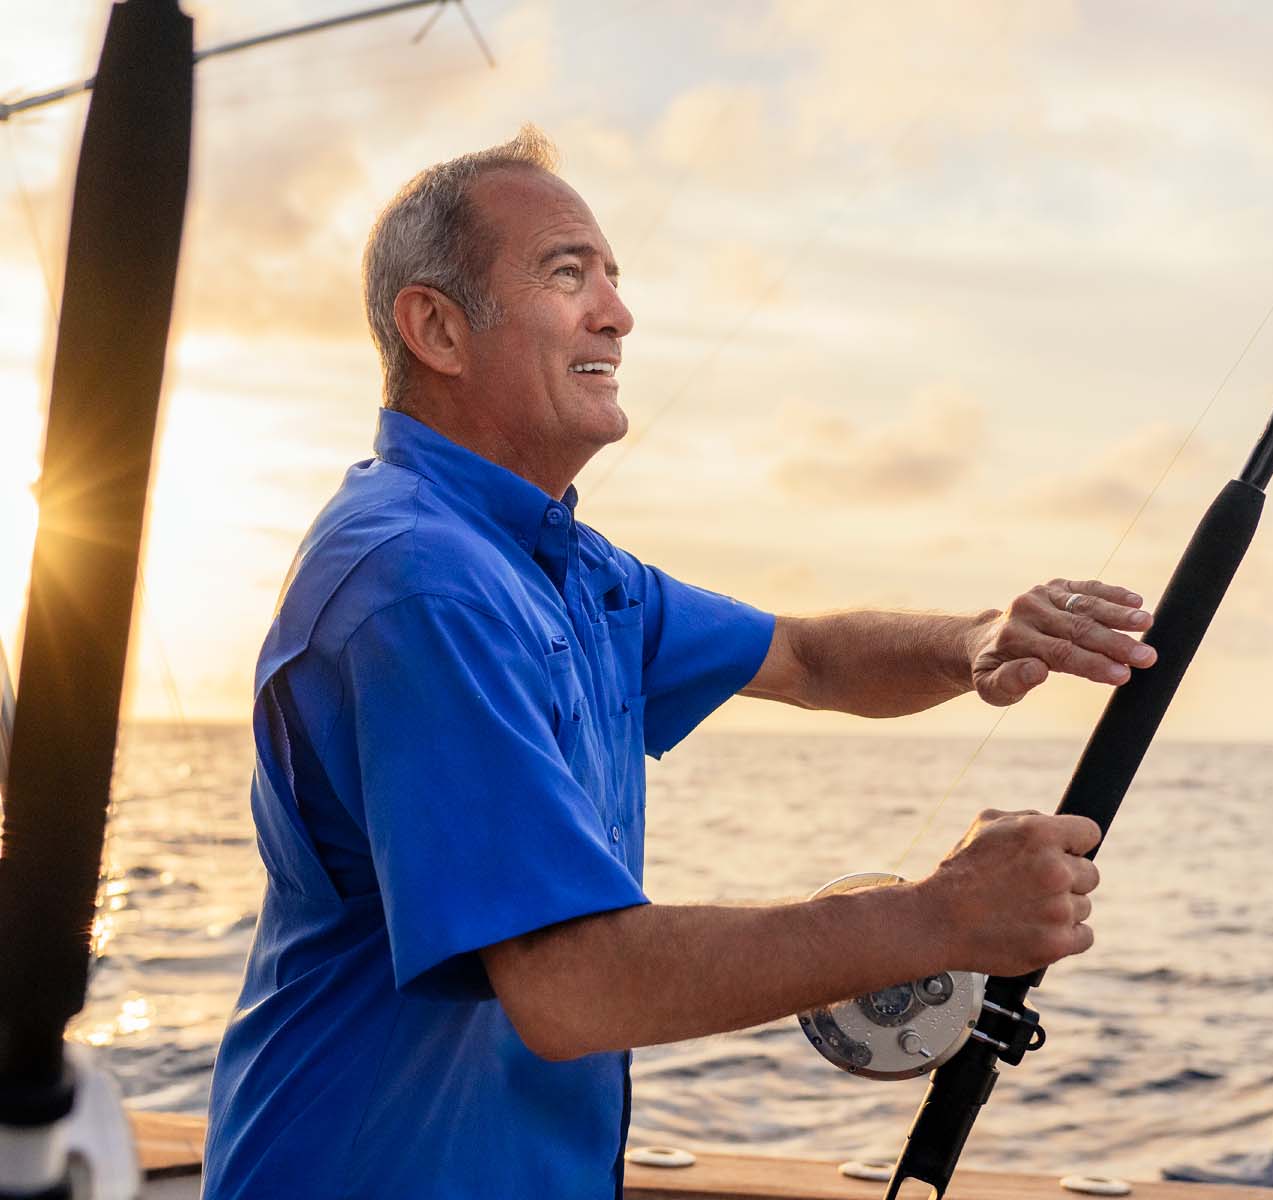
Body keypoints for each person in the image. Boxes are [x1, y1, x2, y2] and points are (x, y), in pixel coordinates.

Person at [202, 126, 1157, 1199]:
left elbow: (806, 657)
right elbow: (570, 984)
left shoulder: (567, 567)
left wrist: (978, 640)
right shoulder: (418, 581)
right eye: (569, 274)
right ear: (438, 328)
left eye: (614, 277)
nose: (617, 311)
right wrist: (937, 918)